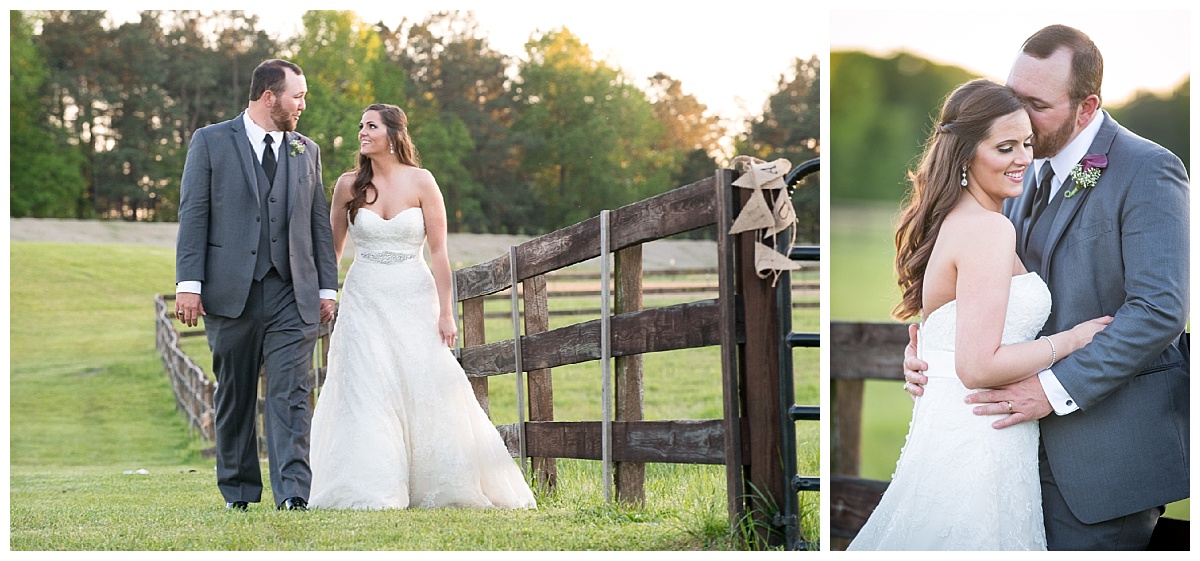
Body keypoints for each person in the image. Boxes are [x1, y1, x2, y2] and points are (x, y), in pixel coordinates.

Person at [903, 25, 1189, 550]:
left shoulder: (1148, 169)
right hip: (1005, 449)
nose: (1018, 116)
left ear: (1087, 107)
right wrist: (933, 347)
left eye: (1035, 103)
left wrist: (1050, 390)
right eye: (1013, 96)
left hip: (1103, 455)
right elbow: (980, 285)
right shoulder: (1013, 170)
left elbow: (1158, 309)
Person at [847, 79, 1112, 550]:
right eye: (1005, 147)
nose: (1023, 159)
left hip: (961, 428)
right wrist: (1071, 341)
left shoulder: (958, 221)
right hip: (981, 440)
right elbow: (977, 367)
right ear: (966, 154)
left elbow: (953, 345)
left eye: (1027, 143)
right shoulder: (988, 230)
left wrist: (928, 357)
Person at [307, 103, 537, 510]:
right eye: (360, 125)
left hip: (414, 296)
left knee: (425, 381)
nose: (362, 132)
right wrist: (327, 293)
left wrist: (446, 312)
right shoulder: (348, 186)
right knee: (366, 385)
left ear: (394, 134)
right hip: (364, 298)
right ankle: (370, 486)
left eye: (371, 126)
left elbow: (440, 252)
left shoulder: (422, 181)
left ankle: (440, 481)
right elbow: (332, 250)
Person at [175, 59, 340, 511]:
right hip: (230, 292)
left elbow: (316, 224)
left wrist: (328, 286)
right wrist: (189, 283)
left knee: (291, 393)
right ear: (270, 96)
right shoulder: (209, 142)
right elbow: (193, 214)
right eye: (298, 96)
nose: (303, 105)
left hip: (292, 291)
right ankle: (239, 492)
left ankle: (293, 495)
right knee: (235, 394)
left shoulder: (307, 150)